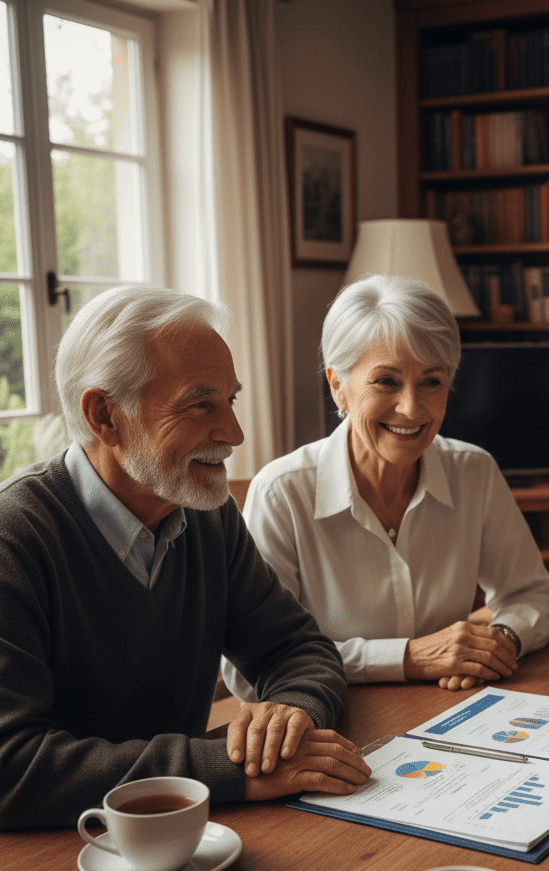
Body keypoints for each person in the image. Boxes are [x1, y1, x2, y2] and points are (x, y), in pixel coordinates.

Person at [0, 285, 370, 830]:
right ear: (105, 415)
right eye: (201, 404)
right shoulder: (15, 536)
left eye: (231, 400)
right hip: (54, 857)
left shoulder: (206, 513)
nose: (235, 433)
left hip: (185, 831)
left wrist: (292, 718)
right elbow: (12, 767)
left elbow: (297, 649)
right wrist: (223, 768)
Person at [222, 275, 549, 699]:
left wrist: (502, 640)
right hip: (336, 717)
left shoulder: (474, 471)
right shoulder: (281, 493)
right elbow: (251, 666)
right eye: (386, 381)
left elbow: (534, 594)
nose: (412, 407)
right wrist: (410, 658)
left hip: (451, 703)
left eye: (431, 381)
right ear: (337, 385)